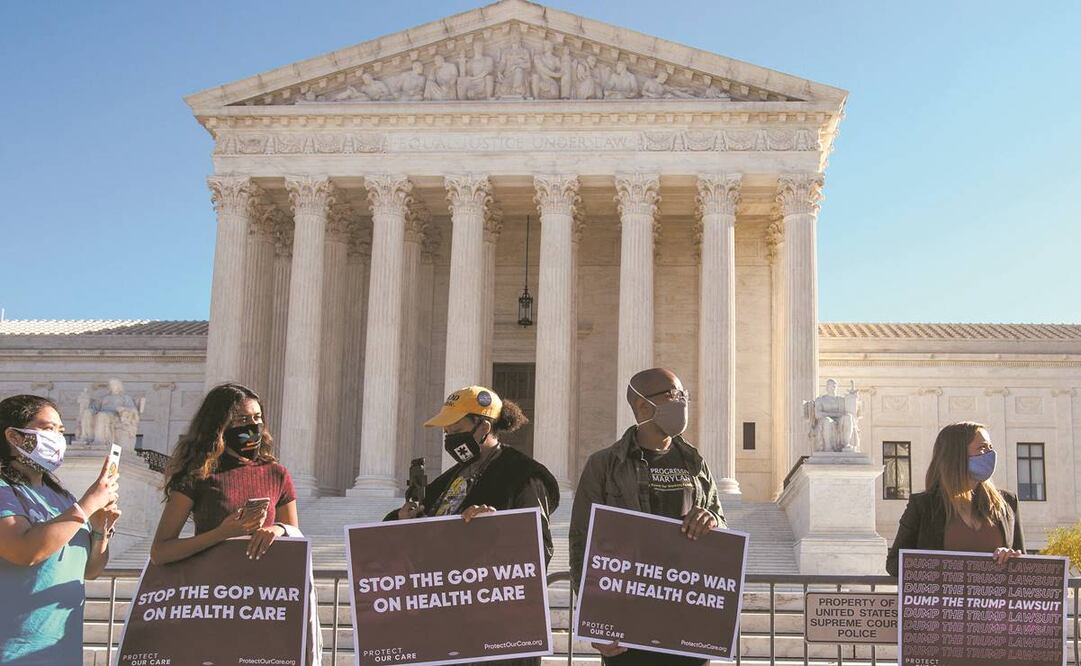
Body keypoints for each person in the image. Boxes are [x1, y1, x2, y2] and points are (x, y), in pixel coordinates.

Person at [151, 383, 320, 663]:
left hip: (264, 603)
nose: (252, 427)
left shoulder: (277, 474)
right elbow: (160, 551)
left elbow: (296, 538)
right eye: (242, 420)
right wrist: (223, 533)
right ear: (220, 425)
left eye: (257, 419)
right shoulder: (198, 476)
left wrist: (276, 529)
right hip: (213, 602)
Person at [570, 368, 726, 666]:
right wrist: (593, 618)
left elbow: (719, 519)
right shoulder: (604, 465)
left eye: (684, 395)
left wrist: (711, 521)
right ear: (643, 406)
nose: (682, 402)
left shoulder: (695, 462)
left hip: (686, 615)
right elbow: (582, 540)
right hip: (628, 619)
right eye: (674, 395)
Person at [0, 394, 120, 664]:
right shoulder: (4, 489)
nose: (57, 438)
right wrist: (87, 504)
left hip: (60, 649)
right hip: (12, 648)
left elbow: (90, 570)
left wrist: (100, 531)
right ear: (14, 437)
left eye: (61, 431)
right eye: (47, 429)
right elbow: (23, 550)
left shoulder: (61, 497)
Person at [885, 421, 1024, 576]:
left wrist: (1012, 558)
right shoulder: (924, 505)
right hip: (942, 599)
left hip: (994, 599)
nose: (990, 454)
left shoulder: (1007, 502)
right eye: (982, 448)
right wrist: (943, 568)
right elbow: (894, 564)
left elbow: (1024, 563)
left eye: (990, 447)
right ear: (957, 454)